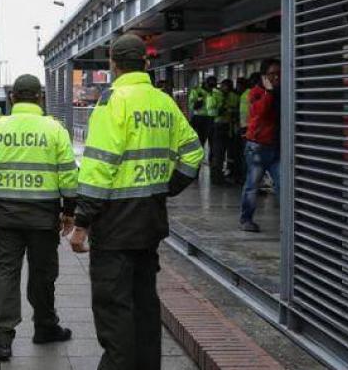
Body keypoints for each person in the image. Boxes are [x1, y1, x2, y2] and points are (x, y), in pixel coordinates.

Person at [70, 34, 203, 370]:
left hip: (114, 226)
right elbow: (193, 153)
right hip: (150, 222)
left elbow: (99, 168)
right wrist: (166, 188)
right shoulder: (164, 102)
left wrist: (81, 222)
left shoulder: (112, 102)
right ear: (145, 63)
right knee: (145, 306)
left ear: (113, 64)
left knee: (114, 309)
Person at [0, 74, 77, 362]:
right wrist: (69, 211)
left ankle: (3, 339)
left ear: (12, 98)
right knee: (43, 273)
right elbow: (68, 174)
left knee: (5, 272)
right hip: (43, 217)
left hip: (5, 217)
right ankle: (45, 326)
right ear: (40, 98)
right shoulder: (55, 129)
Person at [240, 61, 280, 232]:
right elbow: (260, 111)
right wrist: (269, 92)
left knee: (282, 185)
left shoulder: (281, 91)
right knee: (252, 185)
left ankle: (289, 222)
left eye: (279, 73)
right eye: (272, 74)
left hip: (275, 146)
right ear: (264, 76)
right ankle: (246, 219)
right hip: (257, 147)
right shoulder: (256, 93)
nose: (276, 77)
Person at [209, 78, 239, 185]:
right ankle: (216, 177)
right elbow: (212, 111)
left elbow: (237, 110)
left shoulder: (233, 96)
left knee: (230, 152)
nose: (225, 88)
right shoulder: (215, 95)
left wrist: (230, 111)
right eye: (224, 86)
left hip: (229, 126)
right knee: (218, 153)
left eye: (227, 86)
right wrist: (223, 109)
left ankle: (228, 173)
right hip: (218, 126)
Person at [187, 76, 221, 162]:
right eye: (209, 85)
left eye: (213, 86)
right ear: (205, 83)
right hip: (199, 119)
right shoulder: (197, 91)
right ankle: (196, 161)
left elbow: (220, 105)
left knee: (214, 144)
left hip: (213, 119)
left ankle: (212, 161)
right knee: (199, 142)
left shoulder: (216, 92)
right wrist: (197, 103)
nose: (211, 88)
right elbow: (191, 105)